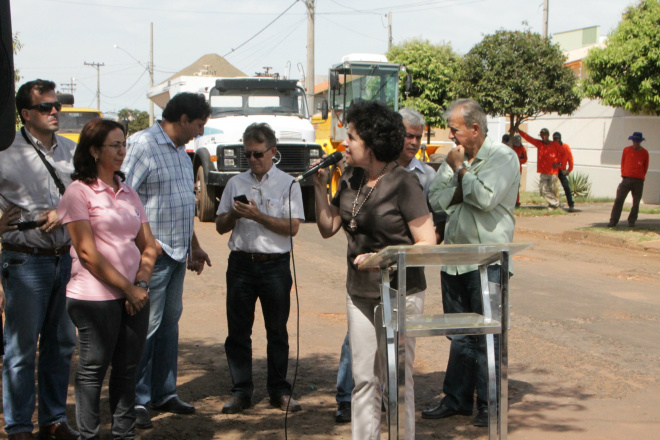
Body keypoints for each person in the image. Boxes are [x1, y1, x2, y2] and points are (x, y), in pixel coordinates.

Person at [314, 100, 435, 440]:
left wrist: (386, 256)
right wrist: (319, 188)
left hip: (399, 293)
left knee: (396, 378)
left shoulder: (402, 183)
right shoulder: (351, 177)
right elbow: (328, 226)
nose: (344, 144)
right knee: (364, 378)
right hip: (360, 293)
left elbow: (427, 242)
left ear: (371, 143)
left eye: (351, 137)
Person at [57, 119, 158, 439]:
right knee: (92, 372)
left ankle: (123, 434)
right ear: (94, 150)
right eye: (114, 145)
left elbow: (149, 246)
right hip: (94, 299)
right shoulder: (78, 192)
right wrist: (128, 288)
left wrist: (140, 285)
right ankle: (89, 435)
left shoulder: (128, 191)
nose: (122, 151)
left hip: (134, 298)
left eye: (123, 144)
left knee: (127, 372)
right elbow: (87, 253)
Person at [424, 99, 520, 428]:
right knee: (460, 334)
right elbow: (435, 199)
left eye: (455, 130)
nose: (451, 136)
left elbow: (484, 198)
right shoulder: (454, 158)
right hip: (454, 260)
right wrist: (458, 179)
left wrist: (461, 171)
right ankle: (457, 399)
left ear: (474, 129)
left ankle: (490, 405)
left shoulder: (502, 157)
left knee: (487, 334)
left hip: (486, 260)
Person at [122, 92, 212, 429]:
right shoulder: (143, 145)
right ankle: (137, 400)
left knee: (168, 325)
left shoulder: (181, 152)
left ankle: (164, 392)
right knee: (147, 327)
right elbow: (123, 198)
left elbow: (181, 204)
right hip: (152, 256)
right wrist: (144, 249)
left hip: (176, 254)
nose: (199, 132)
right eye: (199, 125)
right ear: (184, 119)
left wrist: (194, 246)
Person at [0, 79, 79, 440]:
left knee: (61, 344)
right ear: (25, 113)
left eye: (57, 105)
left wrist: (63, 212)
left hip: (64, 260)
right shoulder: (5, 151)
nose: (54, 112)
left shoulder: (70, 150)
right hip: (24, 260)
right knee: (20, 350)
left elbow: (84, 196)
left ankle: (53, 418)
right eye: (46, 107)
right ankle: (18, 426)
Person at [215, 123, 304, 414]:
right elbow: (219, 226)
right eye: (248, 155)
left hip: (275, 266)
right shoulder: (235, 184)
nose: (253, 160)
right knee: (238, 332)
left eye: (258, 154)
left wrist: (258, 215)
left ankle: (279, 391)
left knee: (277, 331)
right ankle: (241, 392)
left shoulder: (288, 184)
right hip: (241, 264)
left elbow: (292, 227)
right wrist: (234, 215)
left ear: (273, 152)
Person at [608, 132, 649, 227]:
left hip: (638, 180)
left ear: (640, 142)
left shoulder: (645, 153)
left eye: (637, 141)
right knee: (619, 200)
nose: (635, 143)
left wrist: (641, 176)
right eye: (634, 141)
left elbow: (645, 167)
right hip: (626, 178)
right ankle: (613, 220)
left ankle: (632, 221)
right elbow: (623, 163)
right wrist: (624, 174)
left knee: (636, 202)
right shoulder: (626, 150)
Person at [518, 128, 562, 209]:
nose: (543, 137)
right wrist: (520, 131)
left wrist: (559, 164)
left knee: (553, 190)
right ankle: (556, 202)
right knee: (542, 190)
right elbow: (529, 138)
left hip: (553, 172)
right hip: (544, 172)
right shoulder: (539, 144)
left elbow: (563, 154)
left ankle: (553, 205)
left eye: (544, 135)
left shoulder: (555, 144)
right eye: (541, 135)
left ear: (548, 135)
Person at [553, 132, 575, 212]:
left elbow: (570, 160)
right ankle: (554, 204)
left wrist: (569, 170)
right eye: (554, 139)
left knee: (566, 187)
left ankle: (571, 204)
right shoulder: (552, 147)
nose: (556, 140)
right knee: (553, 188)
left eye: (557, 139)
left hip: (562, 170)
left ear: (560, 139)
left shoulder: (565, 147)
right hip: (554, 170)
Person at [511, 134, 527, 207]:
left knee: (516, 186)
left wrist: (519, 161)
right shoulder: (511, 147)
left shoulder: (522, 148)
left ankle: (516, 202)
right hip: (511, 169)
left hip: (518, 169)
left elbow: (525, 158)